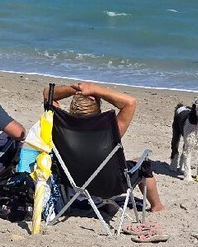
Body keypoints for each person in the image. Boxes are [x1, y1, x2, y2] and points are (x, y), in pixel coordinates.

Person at [45, 81, 165, 213]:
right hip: (108, 186)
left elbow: (48, 93)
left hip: (71, 183)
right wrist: (94, 89)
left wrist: (76, 89)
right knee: (142, 163)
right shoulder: (109, 131)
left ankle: (101, 203)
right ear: (98, 108)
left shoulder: (60, 127)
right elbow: (130, 102)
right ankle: (157, 207)